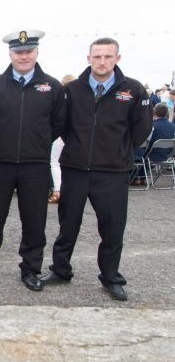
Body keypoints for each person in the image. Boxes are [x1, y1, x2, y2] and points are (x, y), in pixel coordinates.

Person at [42, 38, 151, 301]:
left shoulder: (133, 90)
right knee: (68, 224)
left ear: (117, 59)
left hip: (112, 172)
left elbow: (141, 129)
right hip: (76, 169)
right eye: (97, 56)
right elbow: (63, 126)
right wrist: (81, 147)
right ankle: (61, 269)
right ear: (88, 58)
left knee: (112, 228)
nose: (102, 61)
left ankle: (111, 277)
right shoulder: (74, 89)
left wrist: (117, 150)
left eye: (108, 57)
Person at [0, 30, 66, 291]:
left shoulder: (52, 86)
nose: (23, 56)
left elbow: (59, 123)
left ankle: (30, 269)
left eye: (28, 51)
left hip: (35, 165)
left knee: (34, 219)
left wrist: (36, 143)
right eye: (18, 52)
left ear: (36, 52)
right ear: (10, 53)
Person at [48, 73, 77, 204]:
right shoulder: (79, 96)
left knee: (55, 162)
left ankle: (57, 190)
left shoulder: (61, 96)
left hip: (61, 134)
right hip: (75, 135)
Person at [133, 104, 175, 184]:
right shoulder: (173, 126)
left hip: (151, 155)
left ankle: (137, 178)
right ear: (166, 113)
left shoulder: (151, 126)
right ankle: (141, 179)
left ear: (154, 112)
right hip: (167, 155)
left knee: (139, 151)